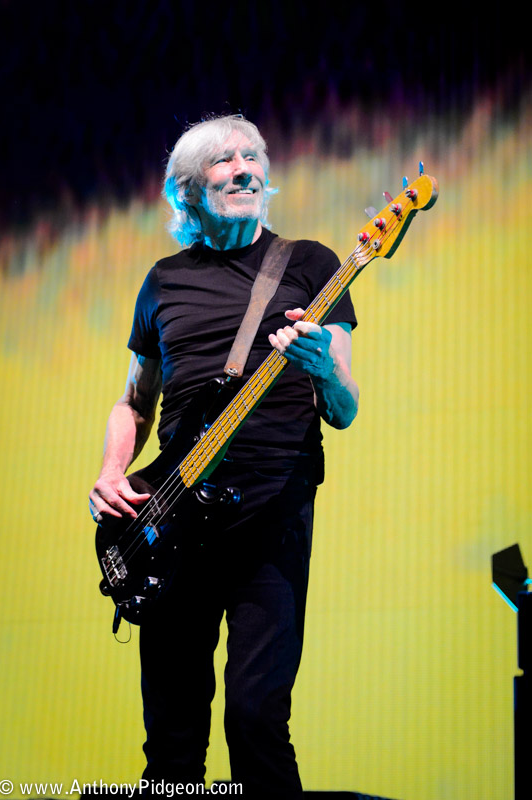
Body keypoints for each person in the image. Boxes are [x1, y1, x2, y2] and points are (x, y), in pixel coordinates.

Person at [89, 114, 359, 798]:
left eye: (252, 156)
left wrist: (321, 366)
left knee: (256, 720)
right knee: (173, 738)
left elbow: (345, 407)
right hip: (168, 520)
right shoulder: (163, 282)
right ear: (185, 191)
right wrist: (110, 473)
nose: (243, 168)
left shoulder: (311, 265)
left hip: (270, 514)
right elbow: (133, 402)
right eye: (222, 159)